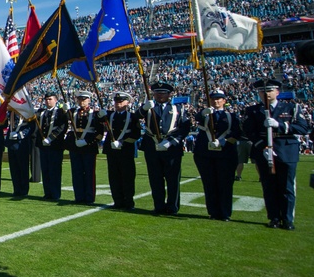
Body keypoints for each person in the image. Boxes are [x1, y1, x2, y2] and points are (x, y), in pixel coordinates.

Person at [242, 78, 309, 230]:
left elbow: (303, 128)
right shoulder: (253, 110)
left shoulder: (291, 107)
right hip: (264, 151)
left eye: (269, 90)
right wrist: (262, 147)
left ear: (277, 92)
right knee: (269, 187)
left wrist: (280, 125)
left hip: (286, 150)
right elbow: (249, 131)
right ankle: (274, 217)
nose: (265, 94)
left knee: (287, 187)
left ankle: (287, 219)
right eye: (261, 91)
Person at [139, 82, 191, 215]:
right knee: (155, 178)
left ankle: (172, 207)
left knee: (173, 179)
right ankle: (159, 206)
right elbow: (135, 117)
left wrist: (171, 142)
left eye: (163, 93)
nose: (159, 95)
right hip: (152, 146)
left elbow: (184, 127)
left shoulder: (178, 108)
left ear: (169, 94)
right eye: (157, 93)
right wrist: (144, 108)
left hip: (172, 148)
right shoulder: (149, 107)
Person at [192, 89, 242, 221]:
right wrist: (204, 112)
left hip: (226, 154)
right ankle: (213, 211)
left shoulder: (232, 116)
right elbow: (197, 118)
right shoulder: (205, 114)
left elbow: (237, 133)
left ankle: (225, 212)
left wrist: (222, 142)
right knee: (209, 183)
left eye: (219, 99)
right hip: (205, 154)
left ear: (224, 101)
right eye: (213, 99)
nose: (216, 101)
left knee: (225, 184)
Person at [103, 92, 142, 210]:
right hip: (112, 150)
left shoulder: (132, 117)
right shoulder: (109, 115)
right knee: (114, 177)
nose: (118, 104)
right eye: (116, 102)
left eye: (121, 102)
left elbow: (136, 133)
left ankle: (129, 202)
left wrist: (122, 142)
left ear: (127, 103)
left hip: (125, 151)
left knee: (127, 177)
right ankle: (117, 201)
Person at [66, 91, 105, 205]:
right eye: (79, 99)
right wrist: (64, 109)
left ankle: (89, 197)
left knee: (89, 173)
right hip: (75, 147)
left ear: (89, 100)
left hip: (89, 147)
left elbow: (99, 133)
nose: (81, 101)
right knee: (76, 172)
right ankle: (78, 196)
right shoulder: (73, 112)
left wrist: (88, 142)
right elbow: (63, 116)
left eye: (84, 99)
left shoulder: (95, 114)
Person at [36, 92, 69, 201]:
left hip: (55, 145)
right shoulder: (41, 112)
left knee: (54, 170)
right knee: (45, 170)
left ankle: (55, 194)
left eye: (50, 99)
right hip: (43, 146)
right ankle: (47, 193)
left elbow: (62, 127)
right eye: (46, 99)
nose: (47, 101)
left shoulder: (60, 112)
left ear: (55, 100)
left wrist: (50, 138)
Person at [5, 109, 36, 198]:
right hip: (11, 142)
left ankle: (24, 190)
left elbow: (31, 126)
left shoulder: (26, 111)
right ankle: (16, 189)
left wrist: (19, 135)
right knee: (14, 168)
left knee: (23, 168)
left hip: (21, 144)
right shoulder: (11, 112)